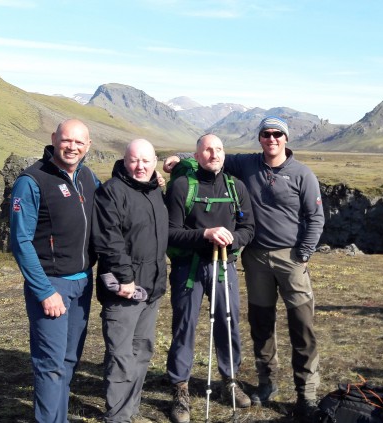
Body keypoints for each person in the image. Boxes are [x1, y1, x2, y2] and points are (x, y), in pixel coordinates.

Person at [164, 117, 325, 423]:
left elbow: (307, 219)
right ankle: (198, 388)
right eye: (266, 134)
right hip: (226, 263)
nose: (272, 138)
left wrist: (302, 254)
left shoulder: (294, 175)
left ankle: (297, 392)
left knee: (293, 326)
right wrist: (177, 161)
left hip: (275, 259)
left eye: (278, 134)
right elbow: (171, 228)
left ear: (286, 138)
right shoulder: (225, 172)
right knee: (246, 324)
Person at [10, 119, 100, 423]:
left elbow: (112, 204)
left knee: (69, 360)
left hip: (82, 283)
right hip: (51, 285)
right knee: (50, 364)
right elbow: (21, 241)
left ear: (88, 146)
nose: (72, 147)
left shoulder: (87, 176)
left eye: (79, 142)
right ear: (53, 139)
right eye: (66, 140)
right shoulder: (32, 180)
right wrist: (45, 291)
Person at [165, 134, 255, 423]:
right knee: (184, 324)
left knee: (229, 321)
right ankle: (181, 388)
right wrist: (204, 234)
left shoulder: (235, 186)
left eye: (218, 149)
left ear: (224, 154)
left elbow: (248, 227)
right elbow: (170, 231)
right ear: (197, 155)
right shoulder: (182, 186)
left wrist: (232, 240)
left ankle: (229, 380)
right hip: (187, 268)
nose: (213, 154)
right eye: (207, 149)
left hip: (223, 265)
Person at [92, 139, 168, 423]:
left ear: (155, 161)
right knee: (121, 355)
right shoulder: (112, 192)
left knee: (142, 350)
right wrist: (125, 279)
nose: (140, 166)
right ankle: (118, 417)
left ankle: (130, 410)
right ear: (124, 161)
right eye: (134, 160)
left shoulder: (154, 190)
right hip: (124, 290)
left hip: (152, 287)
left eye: (146, 161)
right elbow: (108, 240)